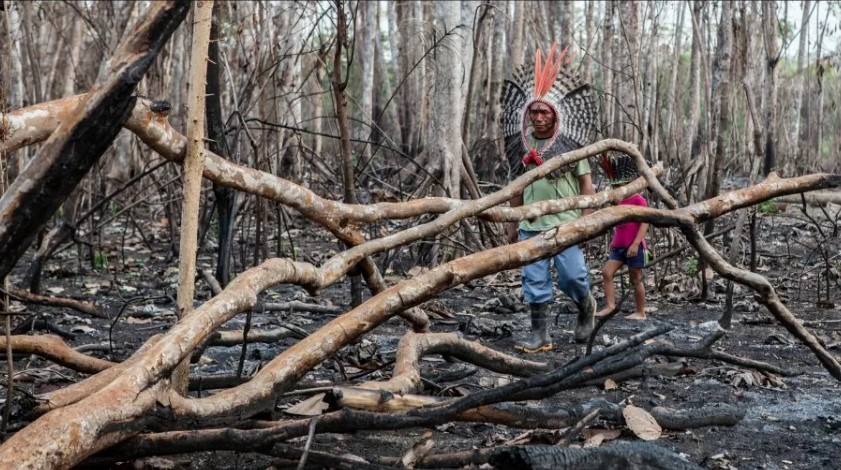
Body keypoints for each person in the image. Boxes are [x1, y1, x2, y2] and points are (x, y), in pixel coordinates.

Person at [500, 43, 599, 352]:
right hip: (531, 223)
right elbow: (516, 185)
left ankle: (586, 307)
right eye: (534, 111)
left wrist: (585, 221)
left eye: (544, 112)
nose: (539, 117)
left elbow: (587, 184)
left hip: (565, 223)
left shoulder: (571, 145)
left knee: (572, 277)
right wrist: (513, 222)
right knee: (534, 280)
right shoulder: (521, 143)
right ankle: (540, 335)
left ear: (555, 115)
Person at [595, 152, 649, 320]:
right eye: (614, 187)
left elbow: (644, 223)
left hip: (635, 247)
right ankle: (610, 306)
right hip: (619, 246)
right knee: (606, 272)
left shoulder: (639, 200)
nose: (615, 190)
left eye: (618, 187)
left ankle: (640, 312)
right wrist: (614, 241)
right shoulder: (617, 202)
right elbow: (619, 226)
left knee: (635, 279)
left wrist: (635, 244)